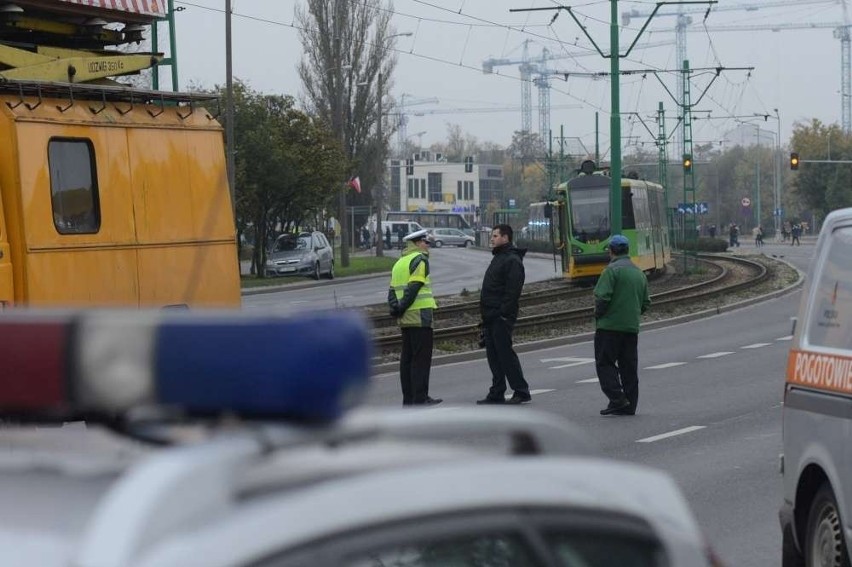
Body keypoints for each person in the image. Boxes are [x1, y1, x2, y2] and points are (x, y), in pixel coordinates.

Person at [593, 234, 651, 416]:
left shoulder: (611, 271)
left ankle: (617, 398)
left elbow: (602, 297)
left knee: (605, 363)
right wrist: (632, 315)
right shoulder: (638, 273)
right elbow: (646, 302)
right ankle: (630, 405)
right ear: (627, 250)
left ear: (610, 251)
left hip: (609, 327)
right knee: (629, 367)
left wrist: (599, 315)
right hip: (630, 328)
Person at [476, 224, 531, 405]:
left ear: (505, 238)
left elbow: (512, 291)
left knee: (505, 355)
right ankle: (497, 391)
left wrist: (503, 314)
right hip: (490, 316)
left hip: (500, 317)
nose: (491, 239)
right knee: (493, 356)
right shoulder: (499, 257)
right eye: (492, 236)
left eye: (495, 236)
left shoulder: (512, 260)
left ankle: (521, 391)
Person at [387, 229, 442, 407]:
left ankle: (409, 399)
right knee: (421, 359)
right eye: (426, 242)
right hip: (420, 316)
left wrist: (396, 309)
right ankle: (420, 398)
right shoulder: (420, 260)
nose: (428, 246)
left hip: (405, 319)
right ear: (417, 243)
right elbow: (414, 286)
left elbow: (391, 292)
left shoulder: (399, 263)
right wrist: (402, 306)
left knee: (407, 359)